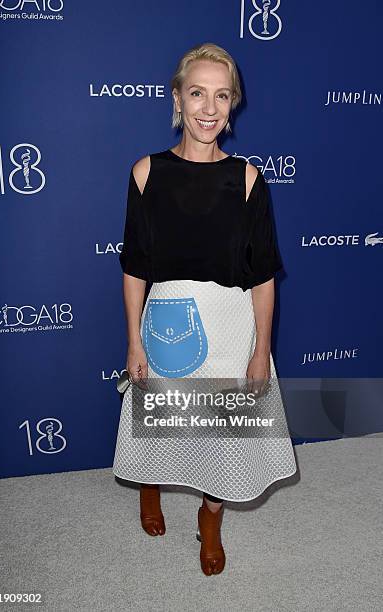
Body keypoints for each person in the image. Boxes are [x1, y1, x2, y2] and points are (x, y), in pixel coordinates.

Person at [112, 42, 297, 576]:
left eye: (222, 96)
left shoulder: (247, 179)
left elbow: (263, 276)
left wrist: (261, 350)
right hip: (168, 315)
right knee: (163, 422)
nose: (209, 108)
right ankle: (151, 484)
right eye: (198, 93)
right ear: (178, 98)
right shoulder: (146, 172)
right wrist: (134, 339)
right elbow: (134, 265)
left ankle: (210, 518)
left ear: (233, 104)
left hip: (232, 322)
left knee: (226, 435)